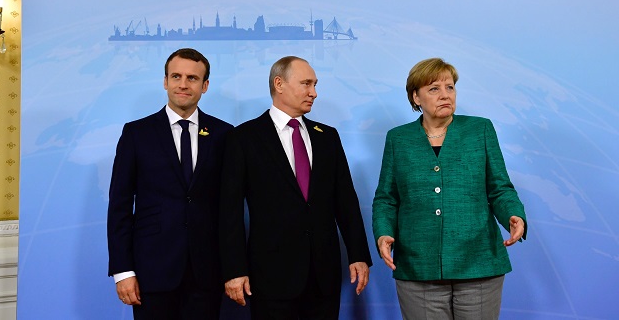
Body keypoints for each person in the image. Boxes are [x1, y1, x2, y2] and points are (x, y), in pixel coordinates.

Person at [372, 58, 527, 320]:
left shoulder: (480, 130)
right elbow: (387, 199)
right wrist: (384, 233)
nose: (445, 95)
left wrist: (513, 215)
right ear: (415, 97)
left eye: (450, 87)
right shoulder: (398, 139)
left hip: (478, 264)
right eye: (434, 88)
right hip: (417, 265)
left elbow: (500, 188)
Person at [220, 55, 372, 319]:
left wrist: (358, 254)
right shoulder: (243, 138)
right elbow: (229, 211)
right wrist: (234, 269)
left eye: (315, 85)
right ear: (279, 84)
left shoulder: (328, 137)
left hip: (323, 277)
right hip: (270, 277)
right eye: (306, 84)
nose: (314, 93)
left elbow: (345, 201)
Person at [107, 48, 233, 319]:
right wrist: (123, 271)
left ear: (205, 85)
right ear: (165, 81)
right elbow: (119, 205)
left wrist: (234, 268)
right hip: (152, 272)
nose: (183, 84)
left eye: (192, 78)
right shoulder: (136, 133)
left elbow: (230, 208)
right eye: (176, 76)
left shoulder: (224, 134)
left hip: (208, 273)